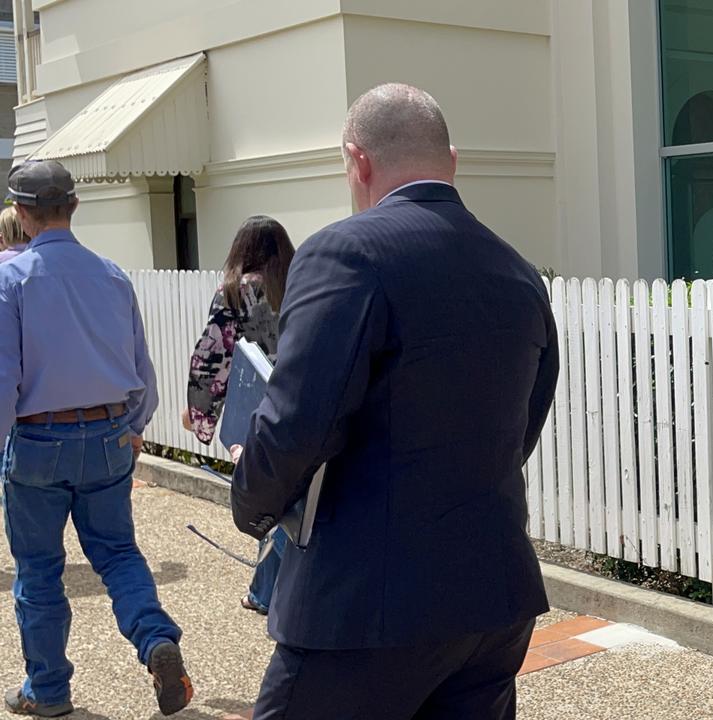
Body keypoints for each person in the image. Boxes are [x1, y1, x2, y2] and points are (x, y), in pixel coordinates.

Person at [231, 83, 559, 719]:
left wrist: (252, 499)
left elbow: (299, 424)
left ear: (358, 161)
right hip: (493, 598)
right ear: (452, 161)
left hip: (365, 608)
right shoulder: (519, 273)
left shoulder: (344, 251)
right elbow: (522, 429)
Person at [0, 160, 193, 717]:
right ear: (74, 207)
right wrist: (132, 428)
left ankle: (49, 690)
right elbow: (142, 370)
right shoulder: (112, 275)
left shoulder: (12, 281)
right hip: (108, 433)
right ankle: (156, 640)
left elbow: (4, 382)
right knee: (117, 552)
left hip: (38, 440)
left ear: (20, 212)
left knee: (39, 569)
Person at [183, 215, 295, 616]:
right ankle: (270, 589)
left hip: (257, 409)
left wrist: (201, 415)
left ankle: (267, 592)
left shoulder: (234, 293)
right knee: (297, 494)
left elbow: (212, 359)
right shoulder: (302, 285)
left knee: (271, 499)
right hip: (305, 401)